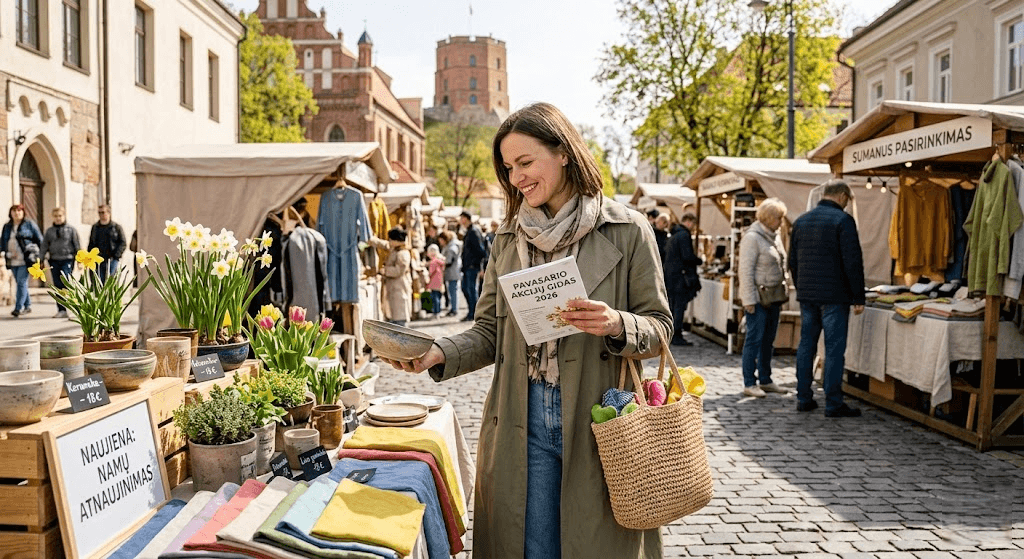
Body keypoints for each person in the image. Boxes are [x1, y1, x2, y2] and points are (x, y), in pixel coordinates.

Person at [381, 102, 671, 558]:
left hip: (601, 417)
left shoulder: (626, 230)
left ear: (563, 153)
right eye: (508, 167)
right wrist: (438, 351)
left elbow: (660, 327)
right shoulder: (507, 238)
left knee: (593, 545)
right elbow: (488, 333)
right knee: (529, 548)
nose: (516, 178)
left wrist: (617, 323)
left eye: (525, 162)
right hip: (522, 414)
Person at [789, 179, 865, 418]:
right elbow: (852, 262)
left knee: (806, 346)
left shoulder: (801, 221)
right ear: (842, 196)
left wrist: (802, 287)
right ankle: (833, 402)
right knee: (833, 350)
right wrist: (858, 297)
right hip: (835, 296)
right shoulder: (843, 221)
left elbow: (792, 262)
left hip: (808, 295)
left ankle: (803, 397)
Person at [738, 199, 789, 398]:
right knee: (754, 340)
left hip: (773, 297)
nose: (781, 222)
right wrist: (748, 300)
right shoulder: (752, 238)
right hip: (758, 299)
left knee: (768, 340)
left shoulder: (774, 237)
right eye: (779, 218)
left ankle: (766, 379)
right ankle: (749, 382)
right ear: (768, 218)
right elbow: (746, 270)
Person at [663, 212, 702, 346]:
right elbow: (687, 256)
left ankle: (673, 334)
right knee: (679, 307)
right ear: (689, 222)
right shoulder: (684, 235)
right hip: (680, 278)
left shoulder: (674, 235)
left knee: (674, 307)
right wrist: (699, 260)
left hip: (671, 277)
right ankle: (677, 335)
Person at [1, 205, 44, 317]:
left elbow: (40, 239)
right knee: (21, 283)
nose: (16, 213)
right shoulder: (7, 226)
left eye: (19, 211)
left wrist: (41, 255)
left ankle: (18, 308)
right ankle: (28, 305)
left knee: (21, 283)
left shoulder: (29, 224)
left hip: (26, 259)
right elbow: (3, 241)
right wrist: (3, 253)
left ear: (23, 213)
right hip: (11, 259)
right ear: (10, 213)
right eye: (14, 211)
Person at [42, 207, 80, 318]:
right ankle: (61, 309)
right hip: (54, 260)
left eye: (60, 216)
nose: (58, 218)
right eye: (56, 216)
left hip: (67, 259)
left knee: (66, 283)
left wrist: (80, 260)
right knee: (57, 285)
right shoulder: (49, 231)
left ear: (64, 216)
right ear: (52, 217)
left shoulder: (71, 230)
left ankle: (74, 306)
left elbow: (76, 244)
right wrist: (40, 259)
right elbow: (44, 246)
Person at [370, 227, 412, 326]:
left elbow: (399, 270)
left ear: (396, 240)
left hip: (399, 289)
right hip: (394, 288)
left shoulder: (403, 253)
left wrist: (385, 271)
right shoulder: (395, 249)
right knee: (395, 315)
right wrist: (371, 239)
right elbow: (384, 244)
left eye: (391, 239)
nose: (389, 241)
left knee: (400, 318)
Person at [458, 210, 487, 321]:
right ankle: (472, 312)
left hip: (472, 267)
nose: (460, 221)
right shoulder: (469, 231)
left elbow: (480, 251)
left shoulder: (473, 231)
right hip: (467, 267)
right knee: (466, 289)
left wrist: (480, 267)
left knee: (471, 290)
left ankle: (474, 314)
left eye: (461, 218)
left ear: (465, 218)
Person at [87, 205, 126, 282]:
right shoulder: (95, 227)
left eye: (103, 212)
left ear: (109, 213)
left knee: (110, 281)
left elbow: (123, 242)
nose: (101, 215)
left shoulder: (116, 227)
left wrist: (116, 255)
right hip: (98, 259)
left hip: (112, 258)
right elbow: (91, 243)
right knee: (98, 281)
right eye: (99, 213)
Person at [438, 230, 461, 317]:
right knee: (452, 292)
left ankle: (454, 309)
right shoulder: (449, 246)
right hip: (451, 272)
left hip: (453, 272)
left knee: (453, 291)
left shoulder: (451, 247)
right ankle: (453, 308)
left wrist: (442, 261)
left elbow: (449, 260)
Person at [425, 244, 445, 319]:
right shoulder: (440, 260)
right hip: (439, 280)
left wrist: (428, 279)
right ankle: (438, 311)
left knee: (435, 297)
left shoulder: (433, 262)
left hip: (434, 281)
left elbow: (431, 272)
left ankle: (436, 312)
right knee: (438, 297)